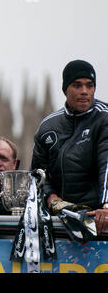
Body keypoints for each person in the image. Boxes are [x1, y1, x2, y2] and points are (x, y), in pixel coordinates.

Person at [31, 59, 108, 234]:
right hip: (60, 223)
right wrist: (50, 196)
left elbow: (107, 164)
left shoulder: (104, 118)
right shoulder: (47, 127)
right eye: (77, 85)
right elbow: (37, 172)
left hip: (98, 219)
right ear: (66, 89)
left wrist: (106, 205)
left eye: (89, 86)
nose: (84, 92)